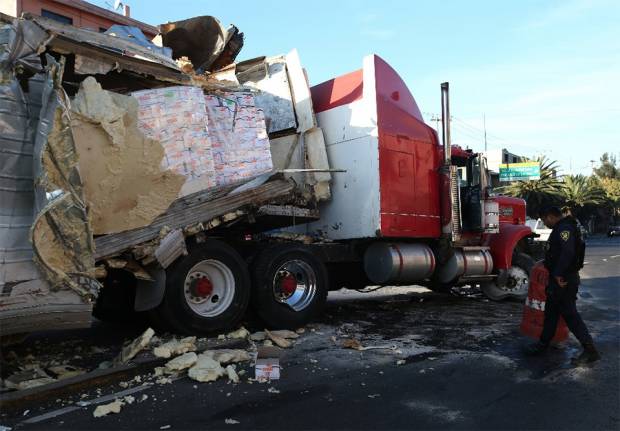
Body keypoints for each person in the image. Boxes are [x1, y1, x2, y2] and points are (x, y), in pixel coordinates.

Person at [526, 206, 601, 364]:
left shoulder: (564, 229)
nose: (545, 224)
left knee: (570, 315)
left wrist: (559, 274)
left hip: (564, 280)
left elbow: (568, 253)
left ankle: (590, 350)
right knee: (551, 313)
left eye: (545, 220)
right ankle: (543, 344)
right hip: (558, 279)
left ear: (551, 216)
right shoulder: (565, 227)